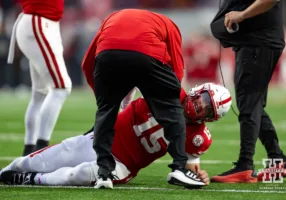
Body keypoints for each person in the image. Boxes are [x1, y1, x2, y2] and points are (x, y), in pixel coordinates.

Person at [0, 83, 232, 187]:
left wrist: (199, 175)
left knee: (77, 174)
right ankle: (6, 172)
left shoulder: (199, 137)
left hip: (123, 164)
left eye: (208, 108)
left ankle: (31, 180)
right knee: (39, 160)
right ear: (197, 91)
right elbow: (133, 78)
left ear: (212, 117)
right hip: (103, 139)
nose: (201, 107)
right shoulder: (170, 90)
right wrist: (122, 105)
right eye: (203, 100)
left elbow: (191, 165)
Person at [82, 8, 206, 189]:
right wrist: (171, 97)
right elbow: (177, 66)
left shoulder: (112, 17)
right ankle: (179, 167)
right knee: (172, 108)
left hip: (107, 55)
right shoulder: (168, 24)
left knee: (106, 112)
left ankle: (103, 173)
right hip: (147, 55)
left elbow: (87, 62)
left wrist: (103, 100)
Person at [210, 0, 286, 183]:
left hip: (258, 43)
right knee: (252, 104)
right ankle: (278, 160)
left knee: (249, 103)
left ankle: (245, 166)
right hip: (255, 42)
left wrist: (241, 15)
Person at [7, 0, 72, 156]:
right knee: (61, 87)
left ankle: (29, 150)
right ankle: (40, 151)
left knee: (40, 93)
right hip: (38, 21)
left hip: (44, 23)